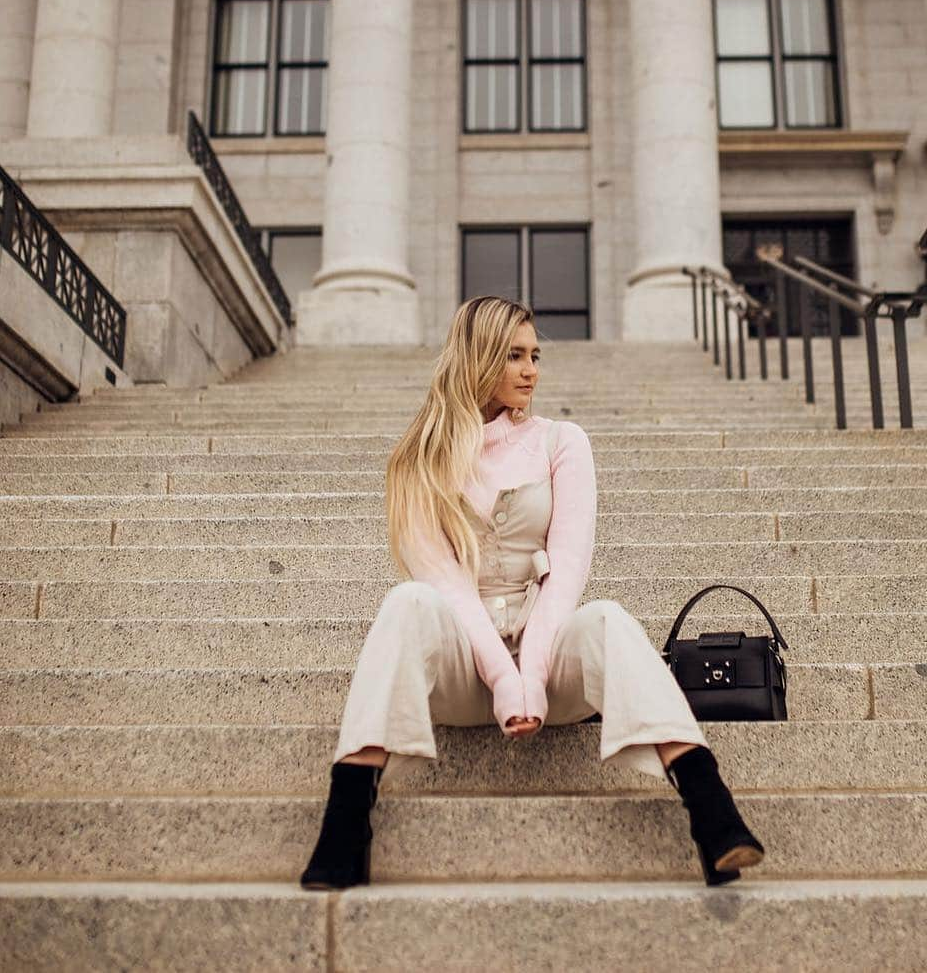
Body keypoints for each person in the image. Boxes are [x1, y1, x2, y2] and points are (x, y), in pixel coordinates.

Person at [299, 295, 764, 889]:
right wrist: (502, 678)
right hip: (465, 669)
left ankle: (711, 811)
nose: (530, 370)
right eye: (514, 355)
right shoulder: (420, 457)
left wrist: (533, 675)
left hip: (547, 657)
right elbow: (448, 585)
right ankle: (346, 825)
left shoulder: (561, 441)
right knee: (407, 603)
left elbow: (568, 570)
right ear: (479, 357)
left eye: (535, 355)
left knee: (606, 619)